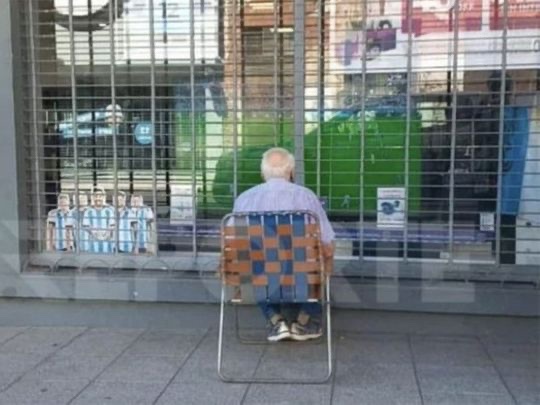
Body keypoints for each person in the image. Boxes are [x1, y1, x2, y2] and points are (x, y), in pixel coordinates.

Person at [233, 147, 335, 342]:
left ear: (263, 172)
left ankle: (275, 320)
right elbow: (327, 244)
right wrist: (327, 265)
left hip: (261, 275)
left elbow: (235, 245)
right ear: (291, 171)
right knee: (320, 259)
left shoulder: (244, 199)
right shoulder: (306, 197)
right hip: (301, 274)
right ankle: (305, 320)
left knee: (253, 260)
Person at [83, 186, 115, 253]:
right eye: (96, 196)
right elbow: (86, 226)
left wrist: (106, 235)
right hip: (93, 246)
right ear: (93, 197)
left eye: (100, 196)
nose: (98, 198)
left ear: (103, 197)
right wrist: (95, 234)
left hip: (107, 245)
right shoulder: (88, 212)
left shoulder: (109, 211)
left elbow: (112, 226)